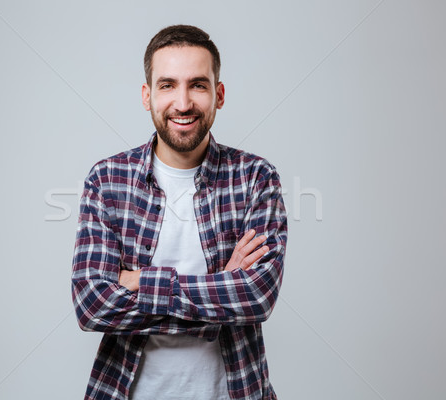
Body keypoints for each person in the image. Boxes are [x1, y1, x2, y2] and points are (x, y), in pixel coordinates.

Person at [72, 24, 288, 400]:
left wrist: (139, 281)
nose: (183, 103)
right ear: (147, 95)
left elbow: (256, 295)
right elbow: (92, 305)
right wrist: (220, 289)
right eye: (168, 85)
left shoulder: (256, 178)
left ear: (219, 95)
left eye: (198, 85)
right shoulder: (107, 180)